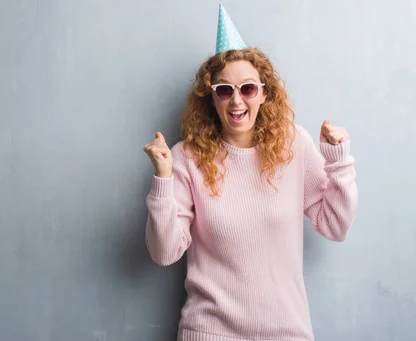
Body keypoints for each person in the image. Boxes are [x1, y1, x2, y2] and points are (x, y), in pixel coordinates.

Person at [142, 4, 358, 341]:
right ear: (210, 99)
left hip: (287, 333)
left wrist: (339, 161)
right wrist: (163, 180)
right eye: (224, 90)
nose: (236, 100)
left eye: (248, 88)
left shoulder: (293, 145)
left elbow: (336, 226)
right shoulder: (185, 158)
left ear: (264, 94)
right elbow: (164, 252)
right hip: (209, 333)